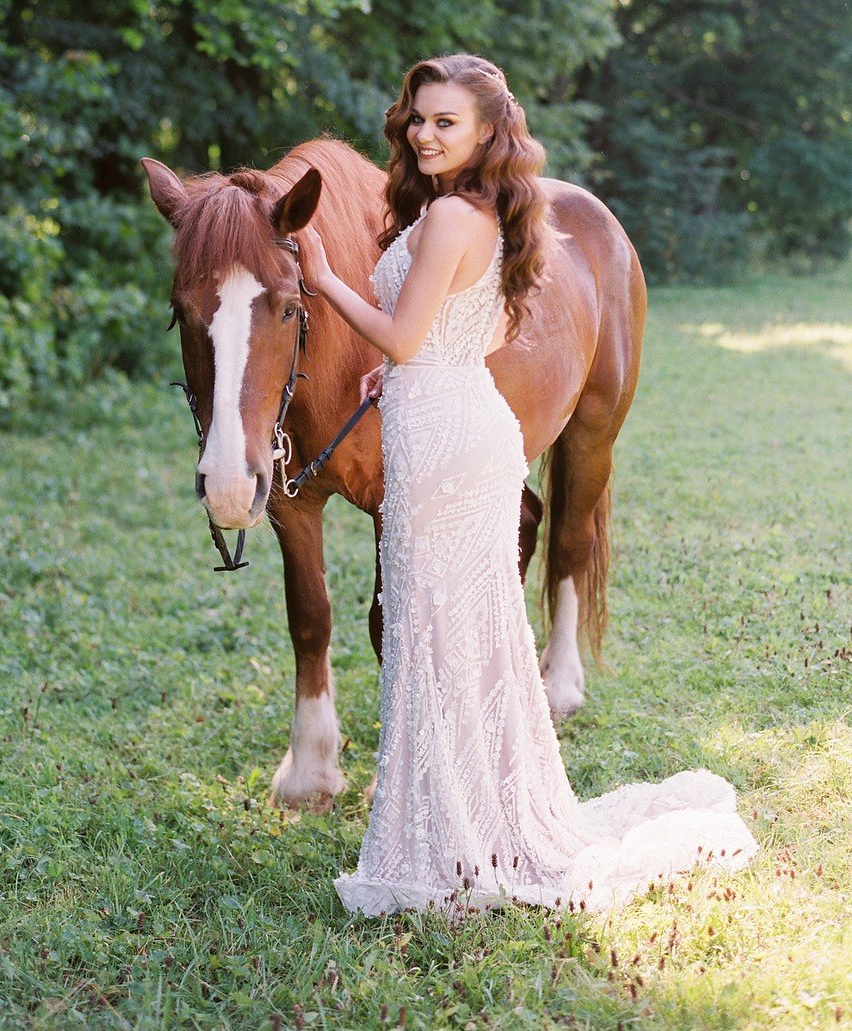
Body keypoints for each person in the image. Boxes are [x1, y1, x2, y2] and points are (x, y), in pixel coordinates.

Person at [303, 54, 757, 916]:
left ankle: (455, 834)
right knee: (446, 629)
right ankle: (448, 821)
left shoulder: (448, 218)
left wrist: (324, 280)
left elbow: (401, 339)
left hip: (443, 440)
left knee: (435, 628)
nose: (424, 134)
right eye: (418, 119)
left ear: (484, 131)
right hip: (453, 417)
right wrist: (392, 377)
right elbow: (471, 332)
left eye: (446, 122)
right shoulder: (484, 211)